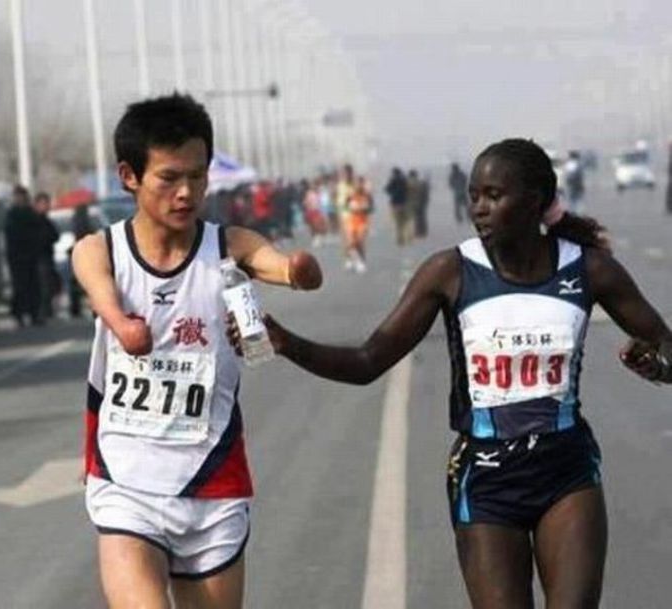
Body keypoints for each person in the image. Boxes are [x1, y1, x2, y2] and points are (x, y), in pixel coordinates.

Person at [229, 139, 672, 608]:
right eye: (474, 196)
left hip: (567, 470)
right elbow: (367, 362)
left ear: (537, 199)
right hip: (486, 479)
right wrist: (286, 342)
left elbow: (664, 342)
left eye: (494, 196)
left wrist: (658, 366)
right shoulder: (450, 272)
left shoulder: (589, 269)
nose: (479, 209)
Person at [72, 93, 322, 609]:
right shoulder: (105, 251)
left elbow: (283, 267)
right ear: (129, 175)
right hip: (126, 479)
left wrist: (298, 269)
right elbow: (94, 282)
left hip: (212, 479)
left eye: (198, 176)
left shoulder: (230, 247)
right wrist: (120, 323)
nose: (186, 192)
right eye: (169, 178)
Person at [4, 184, 42, 326]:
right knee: (19, 287)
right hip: (17, 257)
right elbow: (10, 235)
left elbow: (38, 232)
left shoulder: (30, 213)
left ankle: (34, 315)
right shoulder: (12, 214)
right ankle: (19, 315)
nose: (20, 199)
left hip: (30, 256)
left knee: (33, 286)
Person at [32, 191, 60, 321]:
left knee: (49, 286)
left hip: (46, 258)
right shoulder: (34, 220)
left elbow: (55, 235)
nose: (46, 206)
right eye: (44, 203)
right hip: (38, 259)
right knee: (43, 287)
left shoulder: (46, 220)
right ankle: (40, 312)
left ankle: (45, 312)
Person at [343, 176, 373, 273]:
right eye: (356, 183)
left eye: (360, 183)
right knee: (351, 242)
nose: (358, 186)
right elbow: (345, 206)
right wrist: (352, 207)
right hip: (351, 221)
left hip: (363, 221)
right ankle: (351, 259)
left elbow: (371, 208)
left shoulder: (367, 195)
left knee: (359, 242)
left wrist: (364, 208)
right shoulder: (351, 195)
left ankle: (361, 261)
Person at [384, 167, 411, 246]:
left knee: (398, 223)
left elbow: (386, 189)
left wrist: (393, 192)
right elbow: (408, 191)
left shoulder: (393, 180)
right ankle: (406, 237)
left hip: (395, 203)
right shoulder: (404, 180)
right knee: (404, 221)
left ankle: (400, 239)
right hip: (404, 203)